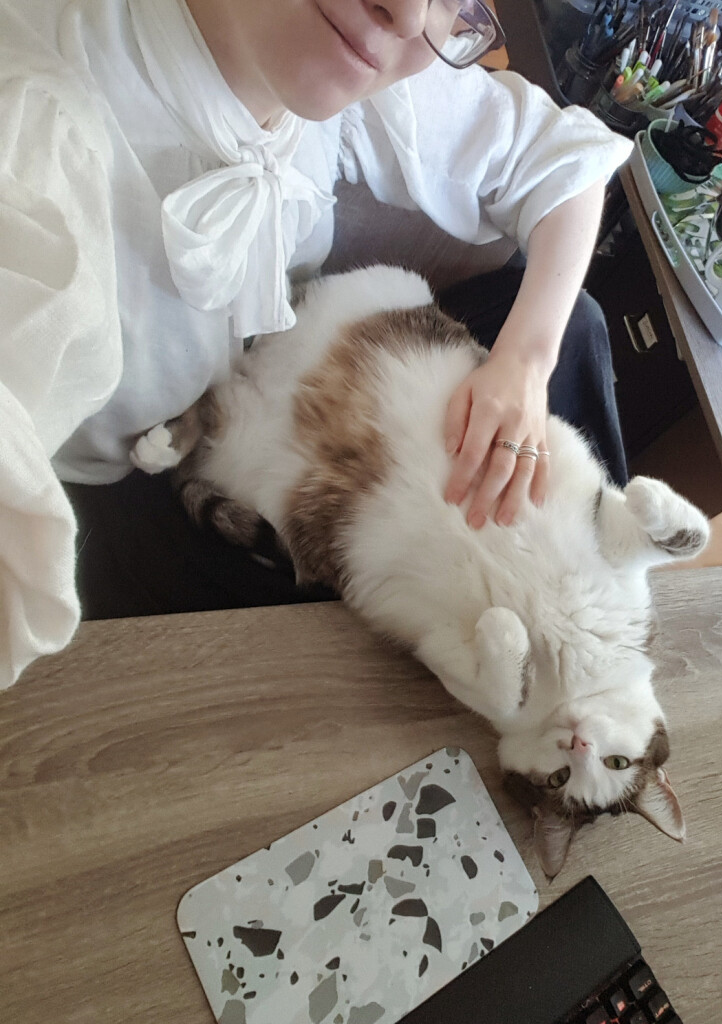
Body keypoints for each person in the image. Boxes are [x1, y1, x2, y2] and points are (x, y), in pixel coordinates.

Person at [0, 0, 634, 689]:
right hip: (134, 489)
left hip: (290, 372)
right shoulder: (36, 122)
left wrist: (522, 365)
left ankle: (587, 613)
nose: (408, 14)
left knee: (571, 328)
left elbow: (562, 163)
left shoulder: (356, 58)